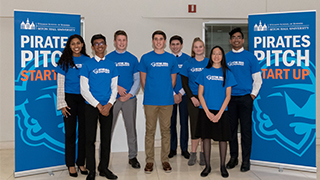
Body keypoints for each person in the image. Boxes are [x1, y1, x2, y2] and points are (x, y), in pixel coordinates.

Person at [138, 30, 179, 174]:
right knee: (150, 131)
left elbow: (173, 80)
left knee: (166, 131)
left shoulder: (171, 59)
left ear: (164, 42)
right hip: (150, 100)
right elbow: (143, 79)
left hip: (167, 101)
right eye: (156, 39)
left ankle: (165, 160)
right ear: (153, 41)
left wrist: (166, 92)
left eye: (161, 39)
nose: (158, 41)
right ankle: (149, 160)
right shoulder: (145, 58)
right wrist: (150, 91)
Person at [80, 34, 118, 180]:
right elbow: (84, 89)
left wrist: (108, 104)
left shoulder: (111, 65)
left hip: (108, 106)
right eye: (96, 44)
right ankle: (91, 170)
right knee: (90, 139)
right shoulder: (87, 65)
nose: (99, 46)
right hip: (91, 106)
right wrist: (98, 105)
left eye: (102, 43)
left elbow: (114, 87)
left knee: (106, 139)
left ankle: (104, 168)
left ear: (106, 46)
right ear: (92, 47)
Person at [195, 46, 237, 178]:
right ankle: (207, 166)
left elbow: (228, 96)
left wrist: (219, 113)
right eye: (214, 54)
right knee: (205, 138)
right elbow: (200, 95)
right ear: (211, 56)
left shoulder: (228, 73)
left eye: (219, 54)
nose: (216, 56)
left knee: (223, 139)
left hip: (222, 111)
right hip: (205, 110)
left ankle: (223, 166)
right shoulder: (204, 72)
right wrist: (207, 112)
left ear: (222, 56)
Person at [225, 27, 262, 172]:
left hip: (246, 99)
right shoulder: (226, 57)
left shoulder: (250, 57)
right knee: (231, 130)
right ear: (230, 40)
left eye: (239, 37)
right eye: (233, 37)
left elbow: (258, 79)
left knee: (246, 131)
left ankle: (246, 160)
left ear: (243, 40)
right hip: (230, 99)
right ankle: (233, 158)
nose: (236, 39)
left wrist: (252, 95)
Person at [56, 34, 90, 177]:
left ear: (82, 44)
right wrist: (62, 103)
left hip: (85, 99)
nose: (76, 46)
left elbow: (92, 81)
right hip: (69, 99)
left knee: (84, 133)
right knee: (70, 133)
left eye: (78, 43)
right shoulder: (64, 61)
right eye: (73, 44)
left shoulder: (88, 60)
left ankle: (81, 162)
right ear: (69, 46)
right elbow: (60, 84)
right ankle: (70, 164)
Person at [107, 30, 141, 169]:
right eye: (119, 40)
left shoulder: (133, 59)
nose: (121, 42)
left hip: (129, 99)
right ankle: (105, 158)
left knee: (131, 129)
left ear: (127, 41)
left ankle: (132, 157)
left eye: (124, 40)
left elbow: (137, 79)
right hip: (111, 100)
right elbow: (105, 79)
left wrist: (130, 94)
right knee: (107, 129)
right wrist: (117, 88)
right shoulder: (108, 58)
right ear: (114, 42)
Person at [180, 37, 209, 166]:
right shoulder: (188, 63)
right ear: (193, 49)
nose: (198, 49)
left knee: (204, 126)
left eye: (200, 46)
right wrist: (192, 97)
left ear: (203, 48)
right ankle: (193, 153)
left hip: (207, 99)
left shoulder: (209, 63)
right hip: (192, 98)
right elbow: (184, 83)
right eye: (196, 47)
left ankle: (203, 153)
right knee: (194, 126)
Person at [168, 35, 190, 159]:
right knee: (171, 123)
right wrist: (173, 94)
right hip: (170, 95)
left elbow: (189, 79)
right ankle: (172, 148)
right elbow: (166, 79)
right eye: (173, 44)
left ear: (181, 45)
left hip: (184, 95)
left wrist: (181, 93)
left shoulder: (188, 59)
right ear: (170, 46)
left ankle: (184, 149)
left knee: (183, 123)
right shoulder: (167, 58)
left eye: (177, 44)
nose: (175, 46)